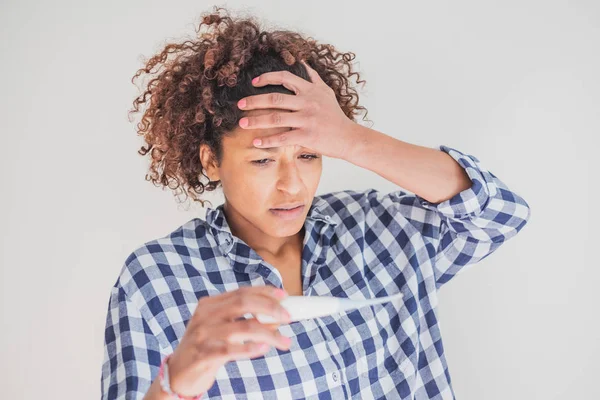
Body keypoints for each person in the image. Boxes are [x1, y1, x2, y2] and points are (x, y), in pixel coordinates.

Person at [101, 6, 531, 400]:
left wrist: (352, 139)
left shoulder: (378, 227)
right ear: (211, 160)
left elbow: (500, 215)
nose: (292, 186)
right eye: (263, 160)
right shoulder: (155, 281)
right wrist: (176, 381)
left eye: (308, 154)